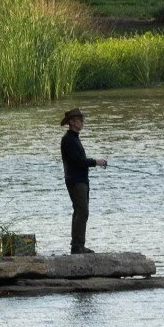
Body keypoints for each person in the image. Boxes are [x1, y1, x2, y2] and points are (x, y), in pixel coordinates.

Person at [60, 107, 107, 253]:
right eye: (80, 120)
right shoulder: (68, 140)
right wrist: (96, 162)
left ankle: (77, 245)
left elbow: (79, 161)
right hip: (75, 181)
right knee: (82, 211)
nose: (82, 122)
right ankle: (77, 246)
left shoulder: (74, 138)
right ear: (72, 122)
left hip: (81, 180)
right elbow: (79, 161)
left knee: (79, 211)